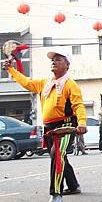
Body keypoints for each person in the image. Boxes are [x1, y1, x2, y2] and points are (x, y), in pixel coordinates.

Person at [2, 47, 87, 202]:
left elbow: (78, 105)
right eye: (52, 60)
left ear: (67, 65)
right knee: (59, 156)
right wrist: (11, 70)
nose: (54, 62)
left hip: (65, 125)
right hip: (49, 127)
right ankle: (74, 185)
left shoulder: (70, 84)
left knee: (57, 155)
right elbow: (27, 83)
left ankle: (56, 194)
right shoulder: (45, 83)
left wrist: (81, 123)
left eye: (58, 59)